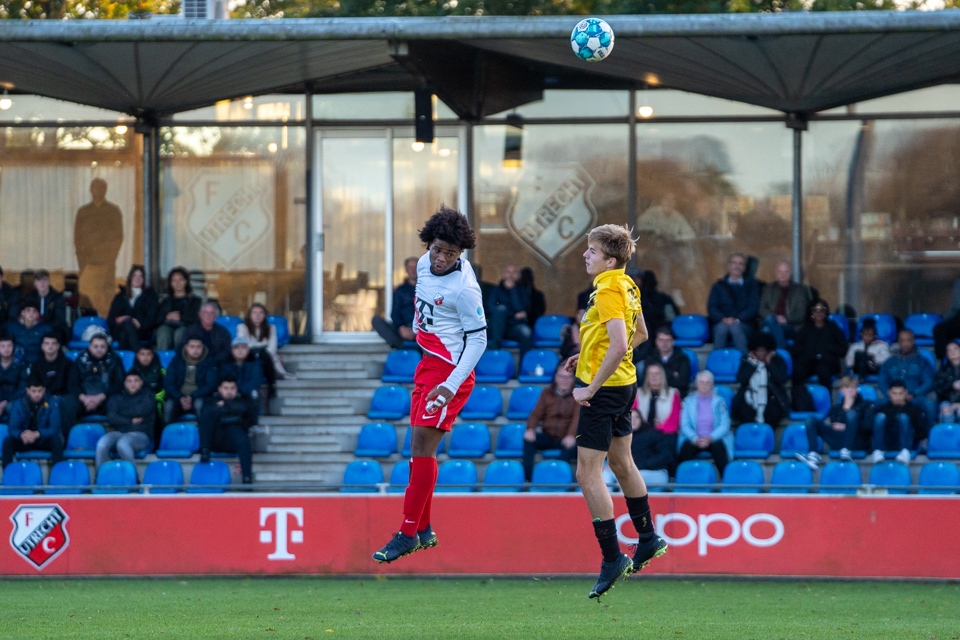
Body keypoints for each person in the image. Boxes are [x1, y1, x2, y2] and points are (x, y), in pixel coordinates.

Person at [372, 206, 487, 565]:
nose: (440, 258)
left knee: (421, 446)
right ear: (429, 244)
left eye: (449, 254)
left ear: (460, 254)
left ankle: (407, 533)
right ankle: (423, 529)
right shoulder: (424, 264)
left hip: (449, 371)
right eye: (436, 249)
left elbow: (479, 341)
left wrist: (450, 386)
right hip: (427, 364)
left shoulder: (465, 289)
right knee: (419, 450)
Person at [565, 223, 666, 600]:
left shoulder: (607, 287)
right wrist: (589, 353)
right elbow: (639, 335)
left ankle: (612, 558)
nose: (585, 256)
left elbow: (623, 339)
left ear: (609, 259)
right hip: (624, 384)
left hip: (603, 391)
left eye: (591, 251)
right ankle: (648, 538)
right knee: (623, 463)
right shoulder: (627, 283)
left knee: (587, 471)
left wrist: (590, 385)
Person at [796, 376, 874, 469]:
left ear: (857, 390)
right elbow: (835, 424)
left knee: (851, 414)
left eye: (853, 388)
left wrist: (848, 425)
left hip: (857, 441)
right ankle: (813, 454)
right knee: (810, 420)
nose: (850, 390)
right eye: (847, 387)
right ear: (841, 390)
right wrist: (846, 408)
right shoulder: (835, 408)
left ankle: (847, 450)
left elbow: (867, 426)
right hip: (838, 439)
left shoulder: (866, 405)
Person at [74, 178, 124, 317]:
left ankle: (107, 325)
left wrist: (110, 258)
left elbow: (118, 237)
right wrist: (82, 262)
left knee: (106, 297)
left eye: (102, 187)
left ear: (106, 190)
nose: (98, 190)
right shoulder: (83, 212)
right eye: (95, 187)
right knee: (87, 295)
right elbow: (77, 239)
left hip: (107, 263)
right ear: (91, 190)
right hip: (88, 263)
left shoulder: (113, 211)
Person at [60, 333, 125, 436]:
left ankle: (117, 437)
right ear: (89, 347)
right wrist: (84, 398)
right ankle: (68, 439)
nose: (99, 349)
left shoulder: (115, 360)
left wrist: (101, 397)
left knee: (120, 401)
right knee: (66, 403)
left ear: (107, 347)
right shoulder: (80, 360)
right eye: (96, 346)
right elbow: (72, 384)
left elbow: (119, 384)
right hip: (83, 400)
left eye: (102, 346)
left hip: (106, 399)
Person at [522, 364, 578, 482]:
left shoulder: (578, 395)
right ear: (556, 378)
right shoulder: (546, 393)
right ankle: (528, 479)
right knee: (528, 439)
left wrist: (571, 435)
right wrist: (530, 429)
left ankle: (558, 477)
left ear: (573, 379)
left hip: (567, 437)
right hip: (549, 435)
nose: (564, 380)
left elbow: (577, 418)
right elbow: (536, 414)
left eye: (568, 377)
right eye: (561, 376)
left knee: (573, 446)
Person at [199, 375, 257, 484]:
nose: (229, 391)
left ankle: (247, 478)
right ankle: (204, 450)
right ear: (219, 389)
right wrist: (232, 414)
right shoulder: (211, 401)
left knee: (239, 433)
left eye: (232, 388)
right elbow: (208, 413)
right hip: (215, 440)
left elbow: (246, 412)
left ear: (236, 389)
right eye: (226, 388)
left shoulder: (243, 400)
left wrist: (225, 405)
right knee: (209, 416)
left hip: (234, 440)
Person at [1, 371, 63, 468]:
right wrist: (22, 435)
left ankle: (59, 475)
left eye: (40, 391)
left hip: (42, 440)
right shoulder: (19, 403)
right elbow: (12, 428)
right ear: (28, 391)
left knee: (57, 441)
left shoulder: (52, 403)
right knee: (7, 442)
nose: (37, 394)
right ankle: (7, 476)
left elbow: (54, 428)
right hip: (25, 440)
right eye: (34, 391)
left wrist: (37, 434)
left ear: (44, 389)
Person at [678, 370, 733, 475]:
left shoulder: (720, 402)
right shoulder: (688, 401)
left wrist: (710, 437)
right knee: (686, 447)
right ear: (696, 384)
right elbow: (684, 424)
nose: (704, 385)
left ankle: (726, 480)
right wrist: (695, 438)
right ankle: (684, 479)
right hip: (694, 438)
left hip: (713, 438)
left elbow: (725, 425)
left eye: (708, 383)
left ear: (712, 385)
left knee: (719, 447)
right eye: (701, 382)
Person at [878, 329, 936, 428]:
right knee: (875, 405)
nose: (905, 344)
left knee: (929, 404)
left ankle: (927, 437)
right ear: (898, 342)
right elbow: (881, 381)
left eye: (908, 340)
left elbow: (929, 382)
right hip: (892, 398)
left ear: (913, 341)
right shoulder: (890, 362)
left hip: (914, 397)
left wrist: (913, 394)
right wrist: (890, 394)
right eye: (902, 340)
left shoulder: (922, 362)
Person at [731, 333, 790, 429]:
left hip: (772, 399)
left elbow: (781, 379)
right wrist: (753, 364)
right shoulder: (746, 361)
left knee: (773, 412)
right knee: (744, 411)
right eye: (758, 351)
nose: (761, 354)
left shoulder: (777, 360)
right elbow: (741, 379)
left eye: (764, 351)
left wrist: (769, 363)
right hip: (749, 399)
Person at [97, 371, 155, 468]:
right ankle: (99, 479)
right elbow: (112, 417)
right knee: (102, 443)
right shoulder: (116, 397)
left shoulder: (148, 396)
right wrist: (130, 420)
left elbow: (141, 410)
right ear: (124, 383)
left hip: (141, 434)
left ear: (141, 382)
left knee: (123, 444)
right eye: (129, 381)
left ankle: (134, 478)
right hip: (120, 432)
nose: (133, 384)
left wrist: (121, 413)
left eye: (136, 380)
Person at [707, 252, 761, 353]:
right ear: (729, 265)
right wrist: (723, 319)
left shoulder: (752, 285)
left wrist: (737, 319)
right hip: (722, 322)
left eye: (741, 264)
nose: (737, 266)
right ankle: (717, 363)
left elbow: (753, 307)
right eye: (734, 263)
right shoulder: (718, 285)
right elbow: (712, 308)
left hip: (744, 324)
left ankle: (746, 363)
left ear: (745, 267)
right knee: (721, 328)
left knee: (735, 327)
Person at [632, 363, 680, 474]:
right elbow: (633, 413)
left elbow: (674, 419)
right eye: (650, 374)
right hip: (643, 432)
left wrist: (657, 429)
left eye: (657, 374)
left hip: (664, 433)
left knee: (667, 443)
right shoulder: (638, 393)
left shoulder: (673, 393)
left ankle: (669, 474)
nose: (654, 376)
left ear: (662, 376)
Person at [790, 299, 848, 391]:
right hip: (809, 362)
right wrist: (807, 351)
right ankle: (799, 400)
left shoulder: (833, 328)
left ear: (826, 312)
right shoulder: (805, 329)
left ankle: (826, 402)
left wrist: (829, 348)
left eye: (821, 310)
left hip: (827, 363)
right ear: (811, 312)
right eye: (815, 310)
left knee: (823, 370)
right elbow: (796, 350)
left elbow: (843, 349)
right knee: (798, 371)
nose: (818, 313)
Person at [162, 337, 218, 425]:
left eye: (198, 347)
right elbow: (168, 382)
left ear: (202, 348)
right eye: (192, 347)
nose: (195, 350)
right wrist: (180, 397)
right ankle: (167, 434)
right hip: (178, 397)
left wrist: (192, 396)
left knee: (199, 405)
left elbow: (210, 385)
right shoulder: (176, 361)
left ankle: (203, 434)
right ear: (186, 347)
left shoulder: (209, 362)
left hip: (199, 396)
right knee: (168, 406)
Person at [871, 379, 927, 465]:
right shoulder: (883, 408)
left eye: (900, 393)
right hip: (888, 442)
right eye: (894, 393)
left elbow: (921, 432)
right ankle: (878, 451)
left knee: (903, 417)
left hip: (907, 441)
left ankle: (905, 451)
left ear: (905, 393)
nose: (897, 397)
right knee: (880, 417)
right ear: (889, 393)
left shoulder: (914, 409)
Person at [236, 302, 291, 387]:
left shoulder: (271, 328)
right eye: (254, 313)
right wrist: (259, 350)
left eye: (261, 313)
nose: (257, 315)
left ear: (265, 315)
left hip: (267, 357)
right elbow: (243, 346)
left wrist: (262, 353)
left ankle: (271, 386)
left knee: (265, 356)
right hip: (249, 356)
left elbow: (272, 347)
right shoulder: (242, 327)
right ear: (250, 315)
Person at [759, 261, 811, 349]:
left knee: (767, 330)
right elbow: (762, 309)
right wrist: (776, 318)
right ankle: (781, 351)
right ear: (776, 273)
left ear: (791, 273)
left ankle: (779, 351)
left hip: (790, 325)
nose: (782, 274)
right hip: (770, 322)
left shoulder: (800, 290)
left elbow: (801, 313)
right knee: (770, 319)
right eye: (780, 271)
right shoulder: (768, 288)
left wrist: (786, 319)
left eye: (785, 271)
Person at [107, 265, 159, 352]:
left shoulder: (150, 295)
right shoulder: (120, 296)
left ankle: (125, 363)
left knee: (124, 334)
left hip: (142, 331)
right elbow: (110, 319)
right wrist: (118, 319)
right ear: (130, 278)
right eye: (135, 275)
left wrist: (140, 323)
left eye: (140, 276)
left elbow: (152, 317)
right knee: (127, 324)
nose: (137, 278)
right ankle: (138, 355)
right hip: (119, 328)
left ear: (144, 279)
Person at [372, 256, 419, 349]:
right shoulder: (399, 290)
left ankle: (422, 348)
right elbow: (395, 313)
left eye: (416, 267)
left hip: (421, 329)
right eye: (410, 267)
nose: (413, 270)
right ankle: (401, 347)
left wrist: (416, 330)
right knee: (376, 320)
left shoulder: (427, 289)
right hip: (402, 329)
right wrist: (401, 328)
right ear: (406, 269)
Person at [488, 264, 533, 356]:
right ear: (504, 275)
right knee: (501, 309)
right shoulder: (496, 290)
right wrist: (512, 315)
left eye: (514, 272)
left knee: (527, 332)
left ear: (518, 275)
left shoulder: (522, 291)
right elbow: (491, 309)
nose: (511, 275)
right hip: (497, 327)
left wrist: (513, 290)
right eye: (508, 272)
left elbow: (521, 309)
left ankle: (523, 368)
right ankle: (494, 351)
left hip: (513, 326)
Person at [155, 267, 202, 351]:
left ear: (186, 281)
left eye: (180, 279)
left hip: (186, 327)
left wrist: (180, 317)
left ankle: (180, 361)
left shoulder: (195, 300)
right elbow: (157, 319)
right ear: (170, 283)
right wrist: (167, 317)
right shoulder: (165, 300)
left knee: (180, 333)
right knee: (163, 332)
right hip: (168, 327)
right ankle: (162, 361)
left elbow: (196, 318)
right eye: (174, 280)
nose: (177, 283)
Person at [20, 269, 69, 345]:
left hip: (53, 329)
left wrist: (43, 328)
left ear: (49, 281)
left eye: (45, 280)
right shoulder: (30, 297)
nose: (42, 283)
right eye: (39, 280)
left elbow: (59, 319)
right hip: (34, 328)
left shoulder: (57, 298)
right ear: (35, 283)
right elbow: (26, 315)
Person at [219, 337, 266, 412]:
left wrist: (239, 392)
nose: (240, 350)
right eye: (236, 348)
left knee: (254, 393)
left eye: (243, 347)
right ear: (232, 350)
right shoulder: (225, 364)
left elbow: (255, 381)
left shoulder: (256, 364)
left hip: (247, 394)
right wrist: (233, 391)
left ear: (248, 350)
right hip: (231, 393)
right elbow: (224, 380)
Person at [643, 326, 690, 397]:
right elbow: (647, 379)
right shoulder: (650, 357)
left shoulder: (683, 358)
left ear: (673, 342)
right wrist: (672, 374)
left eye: (667, 340)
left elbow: (683, 382)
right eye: (661, 340)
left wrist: (659, 377)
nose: (664, 343)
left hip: (675, 395)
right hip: (653, 395)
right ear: (656, 341)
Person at [131, 346, 165, 443]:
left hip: (155, 402)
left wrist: (149, 399)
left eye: (148, 354)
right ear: (137, 356)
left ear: (153, 356)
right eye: (142, 354)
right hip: (135, 402)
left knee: (154, 409)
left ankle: (156, 443)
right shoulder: (131, 373)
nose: (145, 358)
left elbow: (163, 391)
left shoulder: (161, 371)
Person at [32, 332, 72, 399]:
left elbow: (71, 385)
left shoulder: (68, 364)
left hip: (63, 398)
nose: (50, 346)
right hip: (42, 398)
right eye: (47, 343)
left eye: (53, 343)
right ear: (42, 346)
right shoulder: (36, 365)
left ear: (58, 346)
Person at [0, 335, 25, 422]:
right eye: (2, 346)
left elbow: (22, 388)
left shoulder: (20, 364)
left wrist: (5, 401)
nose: (6, 349)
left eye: (9, 346)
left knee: (12, 407)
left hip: (14, 398)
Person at [936, 341, 960, 423]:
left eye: (955, 348)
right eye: (949, 350)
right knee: (946, 410)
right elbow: (939, 389)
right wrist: (952, 385)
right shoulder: (943, 370)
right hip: (948, 401)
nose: (952, 351)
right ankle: (948, 435)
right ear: (947, 354)